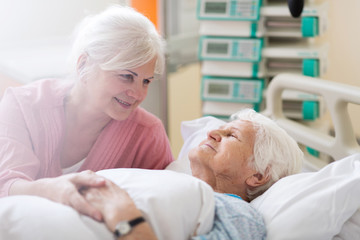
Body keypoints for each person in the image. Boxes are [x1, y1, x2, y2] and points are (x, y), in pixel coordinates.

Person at [0, 5, 174, 222]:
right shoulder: (22, 105)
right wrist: (53, 189)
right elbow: (6, 186)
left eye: (146, 81)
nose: (138, 94)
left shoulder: (148, 133)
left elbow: (165, 205)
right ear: (84, 65)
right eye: (126, 76)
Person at [82, 109, 304, 239]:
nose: (213, 132)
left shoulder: (241, 217)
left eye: (232, 136)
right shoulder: (166, 180)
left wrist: (123, 217)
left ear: (257, 176)